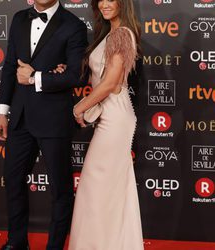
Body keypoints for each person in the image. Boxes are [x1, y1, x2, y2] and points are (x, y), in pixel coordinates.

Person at [0, 0, 88, 249]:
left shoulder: (73, 25)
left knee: (60, 189)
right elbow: (9, 68)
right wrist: (3, 111)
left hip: (53, 119)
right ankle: (16, 242)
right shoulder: (18, 19)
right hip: (20, 118)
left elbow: (76, 75)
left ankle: (54, 247)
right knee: (13, 181)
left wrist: (35, 77)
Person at [65, 0, 144, 248]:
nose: (105, 4)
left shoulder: (121, 34)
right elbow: (101, 77)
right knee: (104, 189)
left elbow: (110, 83)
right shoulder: (109, 34)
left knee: (97, 186)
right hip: (107, 115)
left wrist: (80, 106)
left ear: (123, 4)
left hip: (116, 119)